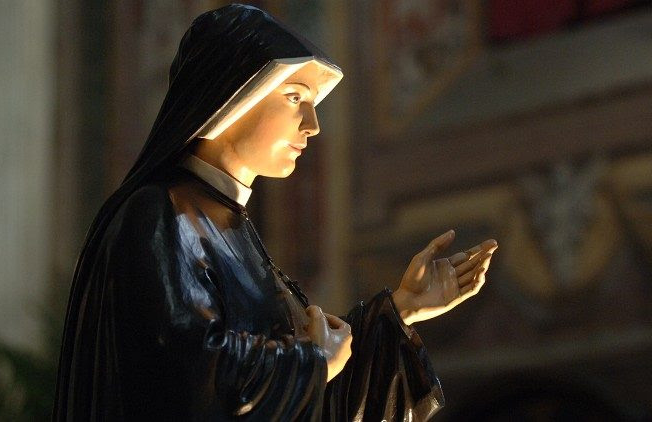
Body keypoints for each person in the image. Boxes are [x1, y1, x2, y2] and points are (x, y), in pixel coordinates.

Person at [53, 5, 497, 421]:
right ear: (231, 97)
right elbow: (189, 376)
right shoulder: (160, 213)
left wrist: (400, 311)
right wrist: (313, 362)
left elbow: (308, 396)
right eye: (293, 97)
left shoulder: (227, 224)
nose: (312, 125)